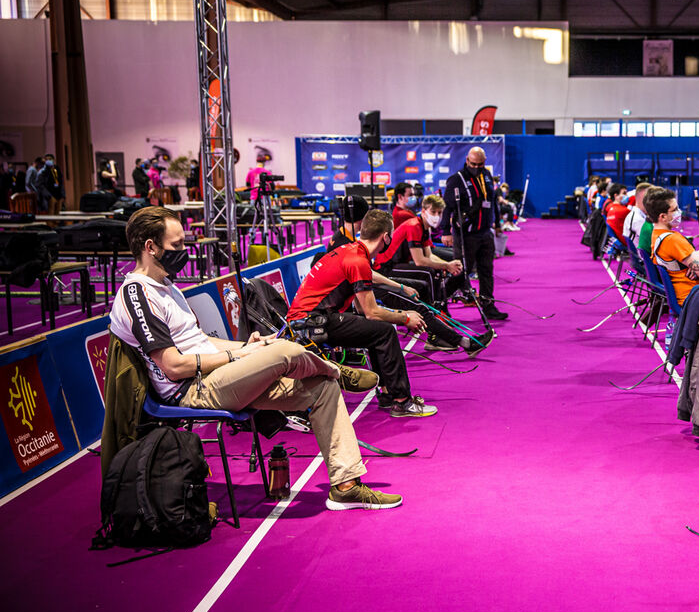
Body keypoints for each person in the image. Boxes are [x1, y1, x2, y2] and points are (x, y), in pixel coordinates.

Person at [108, 207, 401, 510]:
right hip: (192, 390)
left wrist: (246, 346)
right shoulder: (137, 294)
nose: (184, 252)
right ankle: (337, 370)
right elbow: (172, 366)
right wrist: (238, 354)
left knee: (322, 388)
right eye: (177, 245)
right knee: (285, 349)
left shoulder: (168, 286)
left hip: (222, 376)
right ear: (150, 247)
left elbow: (202, 340)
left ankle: (346, 485)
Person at [287, 208, 438, 417]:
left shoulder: (352, 250)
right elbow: (372, 313)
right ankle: (402, 401)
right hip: (312, 323)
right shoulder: (358, 259)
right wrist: (405, 317)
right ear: (386, 237)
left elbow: (363, 309)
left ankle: (387, 394)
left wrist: (399, 292)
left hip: (311, 319)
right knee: (385, 331)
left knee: (376, 330)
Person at [329, 199, 492, 357]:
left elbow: (365, 272)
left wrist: (400, 287)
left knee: (421, 298)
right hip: (365, 289)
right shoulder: (346, 244)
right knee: (419, 307)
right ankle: (464, 342)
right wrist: (400, 289)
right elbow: (366, 277)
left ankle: (442, 332)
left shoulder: (344, 237)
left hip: (364, 287)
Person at [441, 146, 508, 320]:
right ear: (467, 161)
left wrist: (498, 222)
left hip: (485, 233)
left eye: (480, 164)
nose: (476, 167)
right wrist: (446, 232)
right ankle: (439, 303)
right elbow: (447, 208)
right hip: (466, 235)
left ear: (484, 162)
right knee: (461, 272)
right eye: (473, 164)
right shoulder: (456, 180)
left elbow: (492, 201)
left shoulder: (486, 176)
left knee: (487, 271)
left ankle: (488, 306)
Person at [644, 187, 699, 306]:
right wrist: (698, 257)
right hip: (695, 297)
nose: (679, 212)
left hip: (684, 294)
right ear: (663, 217)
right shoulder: (673, 239)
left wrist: (696, 259)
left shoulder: (656, 235)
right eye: (675, 209)